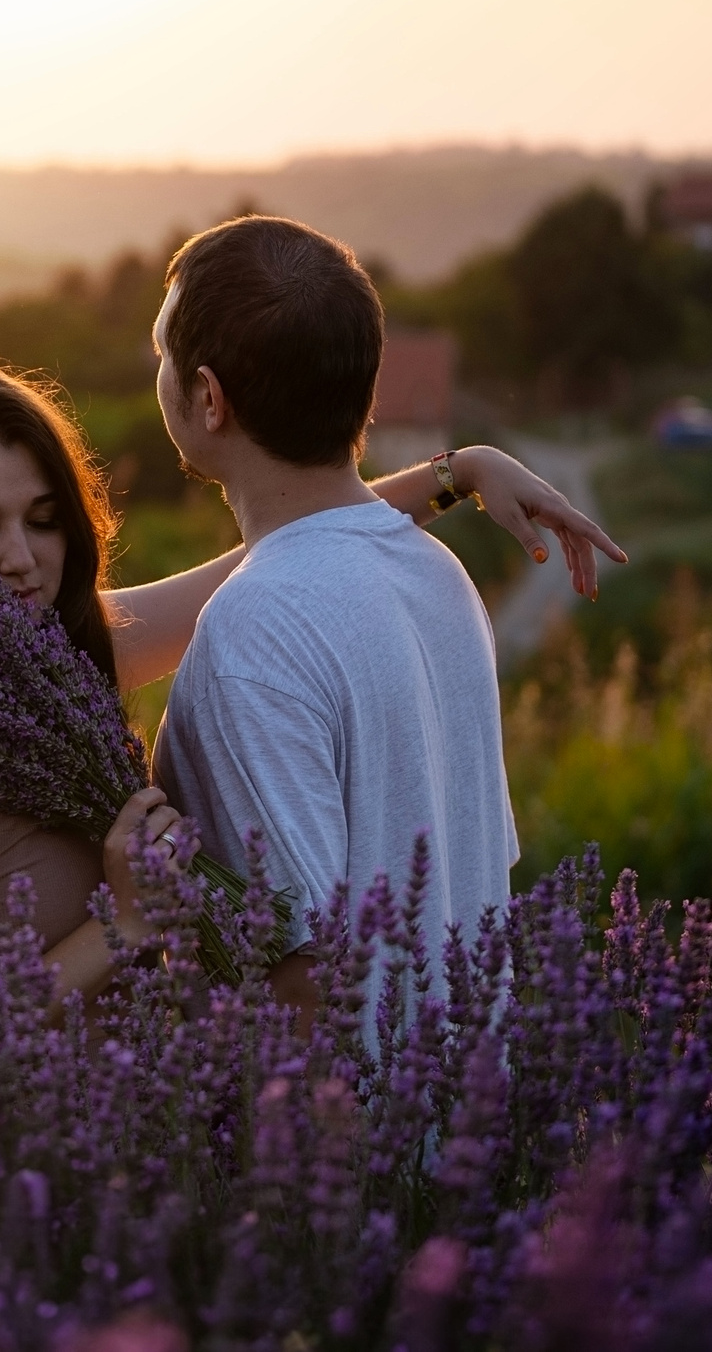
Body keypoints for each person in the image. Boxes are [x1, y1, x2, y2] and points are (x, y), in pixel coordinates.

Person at [0, 352, 615, 1023]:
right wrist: (126, 924)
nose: (21, 557)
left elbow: (268, 557)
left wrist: (454, 473)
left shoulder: (39, 665)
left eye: (44, 520)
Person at [145, 214, 625, 1023]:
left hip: (346, 1144)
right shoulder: (439, 576)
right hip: (464, 1119)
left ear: (207, 398)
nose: (152, 369)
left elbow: (299, 978)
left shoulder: (251, 632)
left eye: (161, 353)